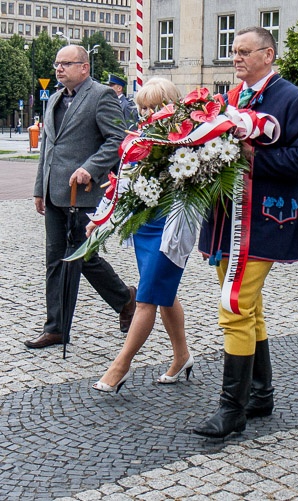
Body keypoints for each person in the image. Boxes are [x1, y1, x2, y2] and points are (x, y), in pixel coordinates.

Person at [193, 27, 298, 438]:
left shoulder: (292, 99)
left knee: (234, 307)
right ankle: (260, 394)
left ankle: (231, 408)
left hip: (264, 220)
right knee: (249, 309)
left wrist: (252, 158)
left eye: (245, 51)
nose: (236, 57)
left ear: (268, 55)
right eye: (234, 51)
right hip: (226, 220)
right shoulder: (231, 98)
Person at [89, 77, 195, 393]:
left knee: (147, 297)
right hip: (144, 227)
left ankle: (120, 366)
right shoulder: (139, 139)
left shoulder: (189, 139)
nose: (148, 113)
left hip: (170, 227)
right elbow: (120, 182)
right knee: (163, 293)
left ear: (170, 106)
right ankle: (182, 356)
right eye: (143, 108)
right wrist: (100, 218)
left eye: (155, 107)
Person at [27, 44, 136, 350]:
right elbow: (47, 146)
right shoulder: (54, 98)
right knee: (57, 260)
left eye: (66, 63)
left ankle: (123, 300)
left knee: (80, 257)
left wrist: (90, 168)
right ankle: (59, 326)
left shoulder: (101, 96)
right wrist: (39, 188)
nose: (59, 69)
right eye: (57, 64)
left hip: (83, 195)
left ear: (84, 67)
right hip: (54, 194)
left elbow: (117, 140)